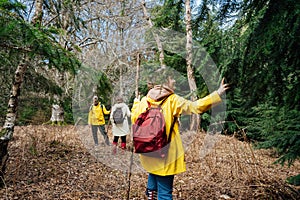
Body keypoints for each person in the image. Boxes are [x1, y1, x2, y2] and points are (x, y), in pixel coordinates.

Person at [131, 77, 229, 200]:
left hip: (147, 150)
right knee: (165, 192)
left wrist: (136, 103)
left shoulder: (145, 100)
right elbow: (196, 107)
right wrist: (218, 93)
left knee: (153, 175)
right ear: (165, 82)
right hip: (165, 154)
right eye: (172, 78)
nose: (175, 81)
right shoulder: (173, 100)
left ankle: (151, 195)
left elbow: (134, 119)